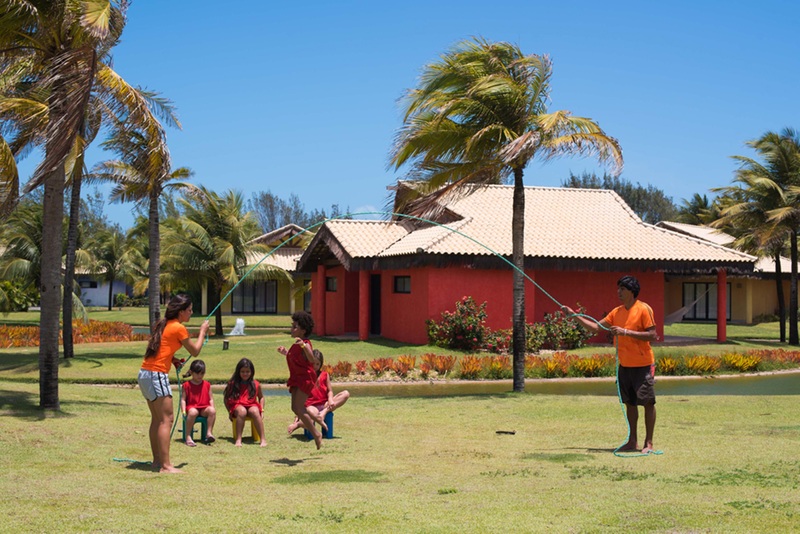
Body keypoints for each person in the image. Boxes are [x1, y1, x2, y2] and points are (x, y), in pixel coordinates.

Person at [562, 275, 658, 454]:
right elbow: (595, 328)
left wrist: (625, 332)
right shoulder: (616, 312)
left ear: (632, 291)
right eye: (618, 288)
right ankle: (632, 442)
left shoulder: (644, 309)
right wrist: (574, 315)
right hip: (625, 365)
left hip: (643, 364)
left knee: (647, 403)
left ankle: (649, 443)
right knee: (630, 403)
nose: (618, 292)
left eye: (622, 289)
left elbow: (653, 335)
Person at [138, 294, 210, 473]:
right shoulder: (178, 328)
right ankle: (166, 466)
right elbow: (195, 351)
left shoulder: (164, 325)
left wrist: (173, 360)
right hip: (156, 374)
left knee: (157, 419)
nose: (191, 313)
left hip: (145, 373)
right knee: (167, 419)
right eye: (189, 310)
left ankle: (157, 461)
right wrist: (202, 331)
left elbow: (161, 349)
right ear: (181, 311)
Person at [277, 310, 323, 449]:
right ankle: (315, 421)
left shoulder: (305, 343)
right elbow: (297, 359)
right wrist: (285, 352)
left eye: (295, 327)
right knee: (295, 408)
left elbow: (311, 358)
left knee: (299, 408)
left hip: (305, 379)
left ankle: (316, 434)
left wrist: (303, 345)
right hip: (297, 378)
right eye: (292, 326)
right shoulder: (296, 345)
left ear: (303, 331)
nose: (292, 329)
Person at [287, 349, 350, 435]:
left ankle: (323, 413)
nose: (315, 366)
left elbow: (330, 391)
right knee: (311, 419)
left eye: (318, 364)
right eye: (313, 363)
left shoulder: (325, 375)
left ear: (321, 364)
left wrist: (330, 399)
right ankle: (298, 424)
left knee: (346, 394)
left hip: (325, 405)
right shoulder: (305, 376)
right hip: (311, 406)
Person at [223, 358, 267, 447]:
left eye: (247, 372)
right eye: (242, 371)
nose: (245, 374)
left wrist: (262, 410)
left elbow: (261, 397)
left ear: (252, 372)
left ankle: (263, 439)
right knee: (242, 411)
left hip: (251, 404)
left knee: (255, 411)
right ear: (238, 372)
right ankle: (239, 439)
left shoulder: (256, 384)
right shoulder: (232, 384)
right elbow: (226, 398)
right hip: (237, 405)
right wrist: (229, 412)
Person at [180, 359, 217, 446]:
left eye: (202, 373)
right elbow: (183, 399)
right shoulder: (186, 385)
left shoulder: (207, 384)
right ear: (191, 372)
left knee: (212, 411)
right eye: (197, 373)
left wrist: (212, 407)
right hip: (192, 407)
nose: (200, 376)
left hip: (204, 408)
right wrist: (183, 411)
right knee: (193, 412)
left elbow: (211, 399)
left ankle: (209, 433)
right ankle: (188, 436)